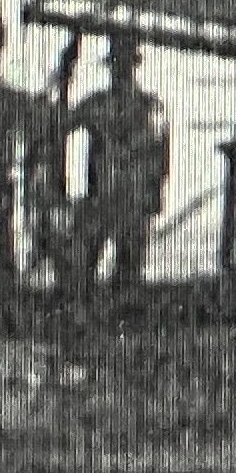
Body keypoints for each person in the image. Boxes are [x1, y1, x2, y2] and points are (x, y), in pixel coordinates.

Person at [69, 40, 170, 293]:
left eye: (126, 65)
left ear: (134, 66)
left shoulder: (151, 106)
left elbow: (161, 153)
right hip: (101, 197)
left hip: (134, 199)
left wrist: (155, 194)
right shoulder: (97, 104)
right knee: (84, 271)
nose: (121, 71)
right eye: (117, 65)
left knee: (129, 273)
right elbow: (63, 124)